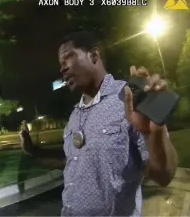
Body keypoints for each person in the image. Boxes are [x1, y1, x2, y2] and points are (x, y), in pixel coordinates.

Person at [19, 31, 178, 216]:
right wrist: (33, 150)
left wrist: (154, 135)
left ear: (93, 56)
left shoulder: (129, 99)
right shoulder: (74, 116)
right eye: (60, 64)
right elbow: (71, 161)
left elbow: (164, 175)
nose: (62, 69)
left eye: (68, 58)